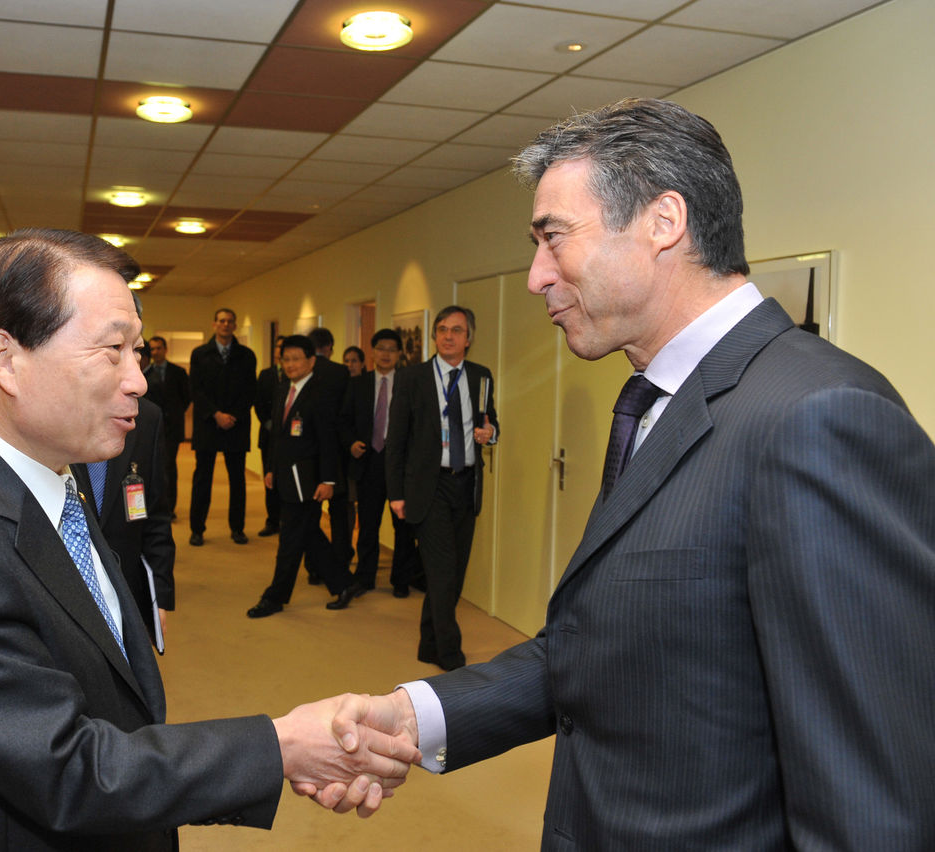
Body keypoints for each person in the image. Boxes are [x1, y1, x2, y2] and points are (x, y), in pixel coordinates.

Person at [332, 98, 935, 848]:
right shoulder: (655, 401)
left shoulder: (822, 417)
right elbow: (596, 646)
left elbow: (874, 803)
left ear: (663, 222)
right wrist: (413, 716)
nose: (536, 276)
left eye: (553, 237)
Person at [0, 229, 419, 850]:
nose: (139, 381)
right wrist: (280, 747)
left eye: (137, 351)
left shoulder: (54, 480)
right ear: (5, 358)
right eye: (112, 349)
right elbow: (68, 771)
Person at [386, 306, 498, 671]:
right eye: (442, 329)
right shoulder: (412, 377)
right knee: (442, 571)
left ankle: (428, 643)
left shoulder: (481, 376)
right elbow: (396, 440)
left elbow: (491, 422)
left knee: (453, 571)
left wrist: (490, 433)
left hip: (466, 484)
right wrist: (395, 493)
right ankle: (450, 653)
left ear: (468, 339)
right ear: (435, 336)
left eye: (456, 330)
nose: (448, 336)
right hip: (428, 486)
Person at [246, 335, 362, 619]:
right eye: (286, 359)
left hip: (307, 481)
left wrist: (328, 480)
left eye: (296, 359)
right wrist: (271, 469)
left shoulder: (320, 394)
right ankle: (344, 583)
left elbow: (327, 440)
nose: (290, 364)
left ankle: (275, 597)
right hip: (285, 476)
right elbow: (278, 436)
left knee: (290, 541)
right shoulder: (283, 388)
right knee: (309, 534)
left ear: (311, 361)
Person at [77, 395, 174, 649]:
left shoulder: (147, 417)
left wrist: (158, 598)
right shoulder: (54, 410)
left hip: (128, 587)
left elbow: (157, 516)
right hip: (70, 591)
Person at [342, 329, 418, 597]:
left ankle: (401, 579)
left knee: (403, 526)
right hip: (368, 460)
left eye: (391, 349)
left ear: (399, 354)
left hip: (400, 464)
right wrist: (351, 442)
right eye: (381, 348)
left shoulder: (409, 383)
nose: (386, 354)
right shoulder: (358, 384)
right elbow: (343, 420)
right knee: (368, 524)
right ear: (372, 352)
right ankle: (365, 577)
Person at [188, 308, 256, 546]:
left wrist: (232, 416)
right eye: (222, 321)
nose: (226, 324)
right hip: (208, 424)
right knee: (202, 480)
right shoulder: (199, 354)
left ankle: (238, 528)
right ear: (214, 324)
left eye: (230, 321)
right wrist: (216, 414)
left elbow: (250, 391)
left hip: (236, 425)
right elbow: (195, 389)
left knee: (237, 480)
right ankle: (197, 529)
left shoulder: (246, 355)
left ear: (234, 325)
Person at [307, 327, 354, 573]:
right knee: (339, 512)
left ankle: (314, 566)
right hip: (336, 450)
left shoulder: (304, 370)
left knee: (310, 512)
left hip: (308, 450)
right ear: (329, 347)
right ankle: (339, 563)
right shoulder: (340, 372)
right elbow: (346, 412)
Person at [142, 335, 190, 518]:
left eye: (159, 348)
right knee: (152, 466)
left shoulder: (178, 372)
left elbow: (186, 397)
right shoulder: (145, 374)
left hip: (172, 428)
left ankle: (170, 507)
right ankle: (154, 505)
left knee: (169, 466)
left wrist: (173, 413)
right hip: (152, 428)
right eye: (152, 349)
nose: (155, 352)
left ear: (165, 349)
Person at [254, 334, 284, 537]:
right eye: (278, 347)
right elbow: (258, 402)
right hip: (268, 436)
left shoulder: (296, 375)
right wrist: (268, 423)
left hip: (290, 438)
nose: (281, 350)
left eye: (284, 347)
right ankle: (272, 521)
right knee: (270, 480)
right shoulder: (266, 375)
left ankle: (286, 520)